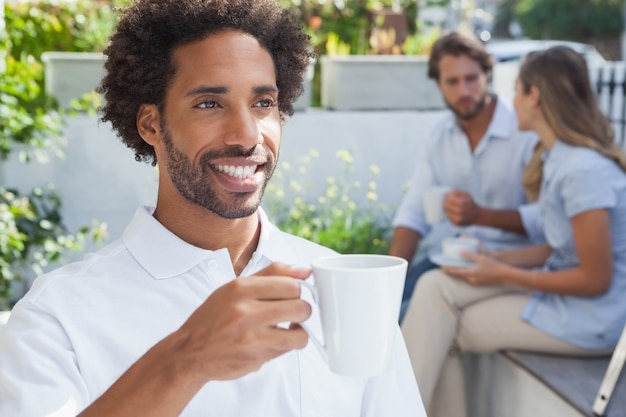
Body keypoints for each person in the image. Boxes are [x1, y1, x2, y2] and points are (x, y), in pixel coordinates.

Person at [0, 1, 426, 415]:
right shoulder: (59, 316)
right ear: (151, 124)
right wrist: (186, 359)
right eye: (209, 104)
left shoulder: (341, 286)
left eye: (263, 103)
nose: (246, 135)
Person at [401, 45, 626, 417]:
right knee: (434, 289)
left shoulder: (581, 171)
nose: (512, 98)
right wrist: (493, 258)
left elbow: (595, 278)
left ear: (534, 96)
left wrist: (504, 273)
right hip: (569, 299)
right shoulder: (561, 158)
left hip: (594, 318)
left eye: (518, 87)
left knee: (440, 322)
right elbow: (559, 246)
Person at [390, 31, 540, 322]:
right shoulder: (440, 134)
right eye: (453, 81)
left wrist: (481, 215)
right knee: (380, 308)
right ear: (438, 84)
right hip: (460, 258)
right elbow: (414, 211)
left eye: (472, 78)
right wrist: (390, 274)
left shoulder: (525, 133)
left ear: (488, 74)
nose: (464, 91)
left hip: (516, 264)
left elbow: (548, 221)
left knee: (406, 317)